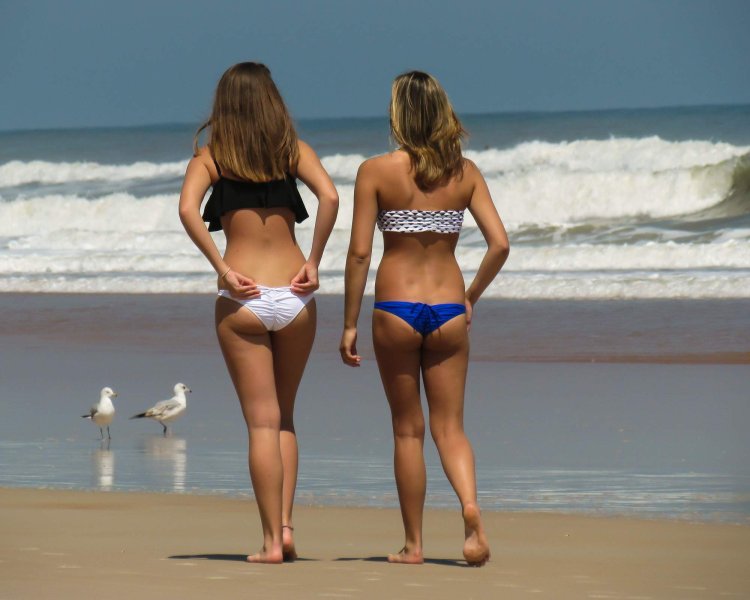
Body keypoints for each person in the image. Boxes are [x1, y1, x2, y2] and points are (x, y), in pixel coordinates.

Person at [340, 71, 509, 567]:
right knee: (451, 428)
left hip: (395, 309)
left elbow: (358, 254)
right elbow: (500, 244)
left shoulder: (375, 171)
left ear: (398, 115)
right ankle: (470, 508)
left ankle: (414, 546)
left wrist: (350, 322)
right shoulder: (466, 173)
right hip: (450, 310)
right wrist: (471, 294)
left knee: (407, 430)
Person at [179, 62, 338, 563]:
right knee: (285, 418)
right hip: (296, 295)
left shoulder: (211, 158)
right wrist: (314, 260)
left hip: (242, 297)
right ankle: (287, 529)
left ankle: (269, 542)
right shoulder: (293, 152)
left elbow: (187, 210)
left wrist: (222, 267)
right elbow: (331, 196)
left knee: (261, 424)